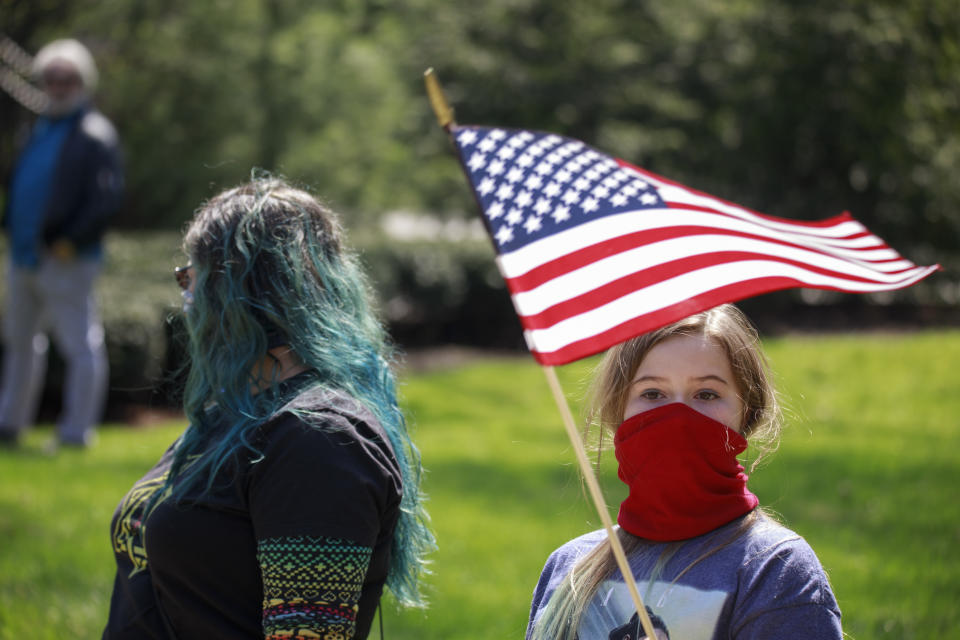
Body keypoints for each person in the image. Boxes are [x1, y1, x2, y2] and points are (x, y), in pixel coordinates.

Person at [102, 177, 434, 639]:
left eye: (192, 276)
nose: (186, 299)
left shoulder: (320, 441)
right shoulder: (238, 412)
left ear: (243, 291)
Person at [526, 304, 842, 640]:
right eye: (652, 394)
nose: (677, 416)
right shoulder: (568, 567)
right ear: (619, 409)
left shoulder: (774, 570)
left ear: (746, 412)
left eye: (706, 394)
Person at [0, 38, 123, 448]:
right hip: (25, 257)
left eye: (67, 79)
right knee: (19, 343)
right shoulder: (36, 129)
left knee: (79, 345)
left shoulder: (95, 135)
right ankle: (10, 424)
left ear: (82, 82)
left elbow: (105, 202)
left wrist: (69, 242)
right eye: (51, 78)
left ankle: (75, 433)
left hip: (67, 259)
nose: (58, 86)